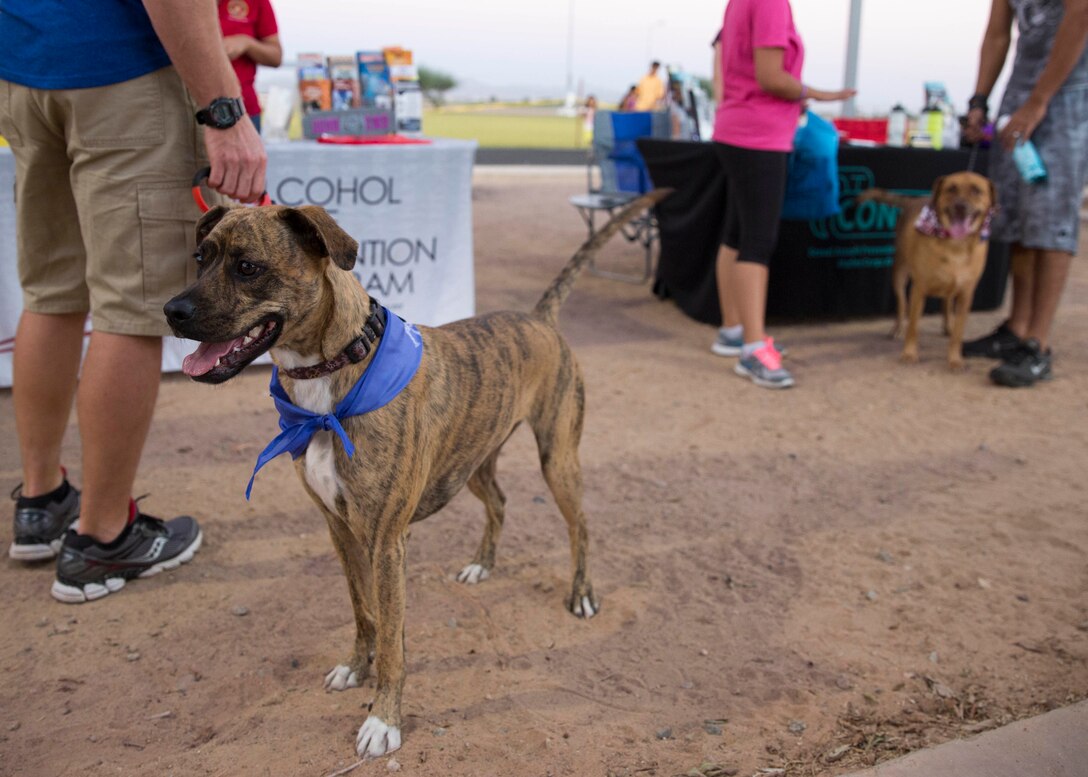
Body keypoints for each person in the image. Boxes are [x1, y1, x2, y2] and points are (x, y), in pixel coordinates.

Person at [0, 0, 267, 602]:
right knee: (132, 311)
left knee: (50, 295)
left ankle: (41, 502)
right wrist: (225, 112)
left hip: (25, 71)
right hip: (122, 78)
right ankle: (102, 538)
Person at [710, 0, 854, 389]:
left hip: (736, 128)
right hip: (759, 134)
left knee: (738, 233)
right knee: (757, 239)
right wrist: (818, 93)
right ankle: (754, 350)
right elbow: (772, 77)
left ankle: (733, 331)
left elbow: (735, 64)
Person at [962, 0, 1088, 388]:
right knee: (1017, 211)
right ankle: (1016, 328)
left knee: (1052, 214)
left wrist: (1038, 102)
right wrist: (980, 99)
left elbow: (1080, 13)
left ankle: (1038, 342)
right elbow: (999, 32)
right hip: (1022, 89)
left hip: (1068, 94)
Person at [218, 0, 282, 134]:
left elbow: (276, 57)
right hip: (190, 107)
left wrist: (246, 43)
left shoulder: (257, 3)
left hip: (244, 109)